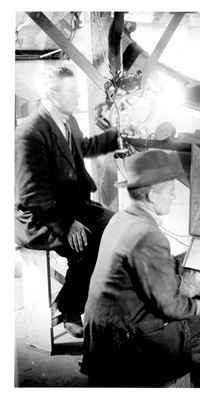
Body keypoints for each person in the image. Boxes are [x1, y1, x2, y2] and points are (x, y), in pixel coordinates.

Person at [81, 149, 200, 387]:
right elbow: (171, 307)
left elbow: (149, 277)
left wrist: (191, 288)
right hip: (132, 342)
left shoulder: (121, 219)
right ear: (154, 195)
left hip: (104, 334)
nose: (174, 195)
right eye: (170, 190)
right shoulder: (149, 235)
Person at [15, 66, 119, 338]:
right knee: (90, 243)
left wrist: (116, 137)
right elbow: (32, 196)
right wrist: (68, 225)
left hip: (70, 207)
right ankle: (69, 308)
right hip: (39, 218)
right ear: (52, 94)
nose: (78, 96)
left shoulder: (67, 121)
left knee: (118, 227)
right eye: (72, 91)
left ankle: (73, 302)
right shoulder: (30, 132)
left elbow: (83, 148)